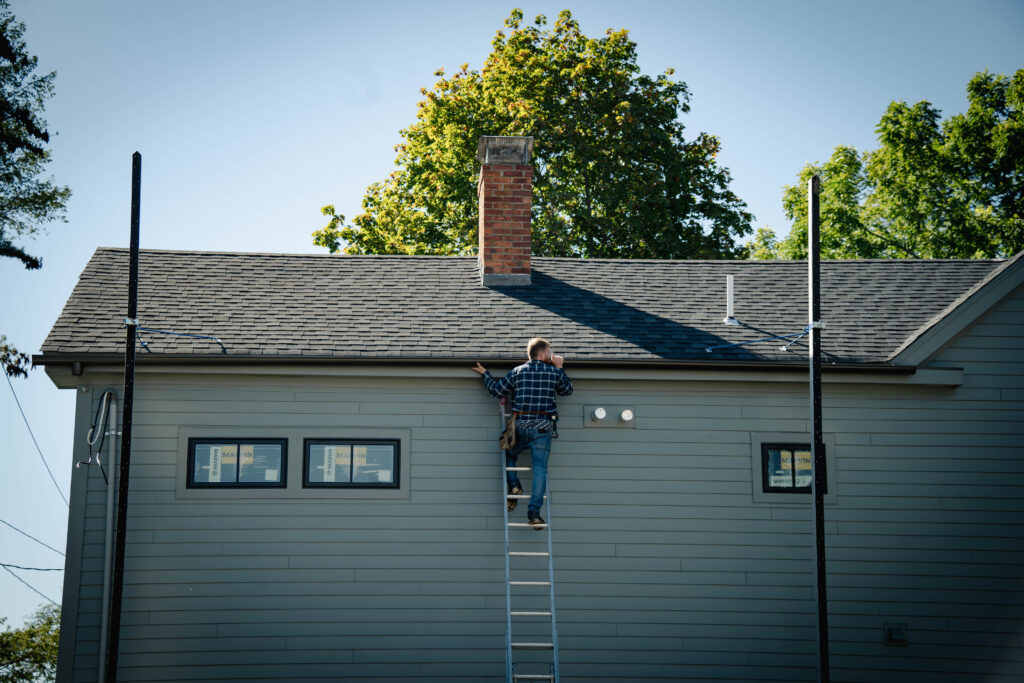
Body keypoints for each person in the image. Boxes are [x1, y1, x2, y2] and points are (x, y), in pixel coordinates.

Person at [473, 337, 573, 529]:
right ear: (543, 354)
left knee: (510, 453)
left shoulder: (518, 372)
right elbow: (567, 391)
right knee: (540, 470)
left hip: (521, 424)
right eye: (550, 352)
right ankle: (534, 514)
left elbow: (496, 391)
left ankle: (514, 485)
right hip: (543, 425)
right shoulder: (553, 372)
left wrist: (485, 373)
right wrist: (559, 367)